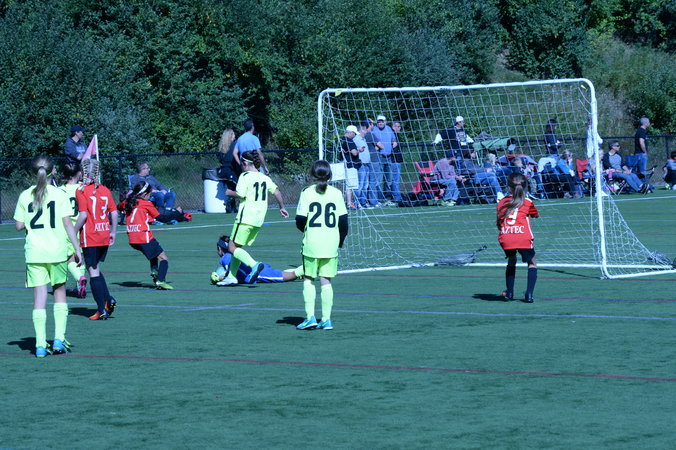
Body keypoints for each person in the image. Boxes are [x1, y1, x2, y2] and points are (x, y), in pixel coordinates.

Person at [14, 155, 82, 357]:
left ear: (32, 172)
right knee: (59, 292)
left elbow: (18, 225)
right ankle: (59, 340)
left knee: (39, 298)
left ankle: (40, 345)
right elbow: (68, 223)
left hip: (35, 253)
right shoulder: (59, 194)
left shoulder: (25, 195)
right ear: (53, 171)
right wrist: (77, 248)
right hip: (57, 251)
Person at [218, 151, 289, 286]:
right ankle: (231, 276)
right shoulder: (264, 177)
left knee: (231, 247)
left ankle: (255, 265)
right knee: (237, 247)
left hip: (245, 217)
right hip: (258, 220)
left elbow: (241, 194)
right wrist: (282, 207)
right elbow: (277, 192)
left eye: (241, 164)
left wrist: (228, 192)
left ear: (245, 163)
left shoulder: (245, 176)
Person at [295, 160, 348, 330]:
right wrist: (339, 241)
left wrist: (308, 231)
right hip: (330, 244)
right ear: (329, 175)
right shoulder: (337, 193)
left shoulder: (306, 192)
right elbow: (343, 222)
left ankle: (310, 317)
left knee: (309, 278)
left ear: (312, 175)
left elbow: (300, 220)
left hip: (312, 243)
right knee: (326, 281)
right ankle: (326, 319)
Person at [74, 159, 119, 319]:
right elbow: (114, 212)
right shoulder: (105, 190)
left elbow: (83, 215)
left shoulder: (81, 191)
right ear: (98, 173)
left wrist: (73, 231)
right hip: (104, 233)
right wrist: (113, 232)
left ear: (82, 172)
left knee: (93, 271)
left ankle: (101, 309)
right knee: (95, 268)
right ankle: (108, 299)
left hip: (91, 235)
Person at [496, 173, 539, 303]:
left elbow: (499, 222)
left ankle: (510, 292)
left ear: (508, 187)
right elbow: (535, 214)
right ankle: (529, 294)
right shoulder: (528, 202)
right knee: (532, 263)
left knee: (511, 260)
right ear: (524, 187)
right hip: (523, 237)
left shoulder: (501, 202)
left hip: (506, 237)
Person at [124, 182, 174, 290]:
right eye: (149, 194)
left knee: (153, 255)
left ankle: (154, 271)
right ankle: (160, 281)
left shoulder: (128, 202)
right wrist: (178, 214)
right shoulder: (146, 203)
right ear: (144, 194)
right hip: (143, 237)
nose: (150, 196)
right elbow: (162, 218)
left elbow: (119, 206)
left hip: (132, 239)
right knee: (164, 259)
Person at [211, 236, 303, 284]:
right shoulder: (231, 255)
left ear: (219, 248)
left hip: (260, 274)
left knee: (291, 276)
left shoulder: (226, 258)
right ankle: (303, 272)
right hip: (261, 268)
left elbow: (233, 278)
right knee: (282, 273)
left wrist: (219, 278)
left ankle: (308, 269)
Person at [60, 163, 87, 298]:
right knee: (80, 257)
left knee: (69, 259)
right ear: (79, 173)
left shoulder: (59, 190)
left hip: (67, 227)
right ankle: (79, 287)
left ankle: (79, 278)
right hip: (82, 227)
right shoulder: (83, 188)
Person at [371, 115, 398, 205]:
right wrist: (375, 147)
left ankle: (387, 198)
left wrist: (394, 142)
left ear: (385, 122)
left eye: (382, 121)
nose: (380, 123)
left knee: (388, 179)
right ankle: (379, 199)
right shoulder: (374, 130)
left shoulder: (389, 129)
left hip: (389, 157)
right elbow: (370, 141)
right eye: (379, 121)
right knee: (378, 179)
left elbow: (393, 138)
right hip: (379, 157)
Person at [217, 127, 239, 213]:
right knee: (237, 188)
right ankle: (229, 202)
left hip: (223, 170)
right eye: (233, 134)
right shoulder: (234, 145)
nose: (235, 136)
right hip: (231, 170)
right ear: (230, 135)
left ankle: (232, 207)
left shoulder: (221, 147)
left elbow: (220, 159)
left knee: (231, 188)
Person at [362, 119, 384, 207]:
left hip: (368, 160)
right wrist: (378, 146)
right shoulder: (370, 134)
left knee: (369, 181)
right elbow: (381, 145)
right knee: (373, 181)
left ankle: (370, 200)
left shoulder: (363, 135)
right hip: (374, 160)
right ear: (369, 125)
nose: (373, 126)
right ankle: (373, 201)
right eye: (372, 124)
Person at [340, 125, 362, 209]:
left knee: (347, 185)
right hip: (350, 165)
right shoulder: (349, 141)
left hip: (343, 164)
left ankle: (348, 202)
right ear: (350, 133)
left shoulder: (341, 140)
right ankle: (349, 203)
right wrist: (359, 150)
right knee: (350, 185)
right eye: (354, 134)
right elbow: (354, 153)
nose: (355, 135)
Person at [352, 123, 371, 208]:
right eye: (365, 129)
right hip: (361, 165)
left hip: (366, 165)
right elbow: (354, 151)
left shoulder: (363, 139)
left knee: (365, 185)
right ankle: (357, 203)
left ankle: (363, 202)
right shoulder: (356, 139)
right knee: (360, 185)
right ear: (362, 129)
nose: (367, 131)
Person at [390, 121, 404, 203]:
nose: (398, 128)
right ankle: (396, 197)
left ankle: (395, 196)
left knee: (395, 179)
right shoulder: (392, 135)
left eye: (399, 126)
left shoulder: (397, 136)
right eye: (396, 126)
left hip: (398, 160)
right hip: (394, 160)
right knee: (395, 179)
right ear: (392, 127)